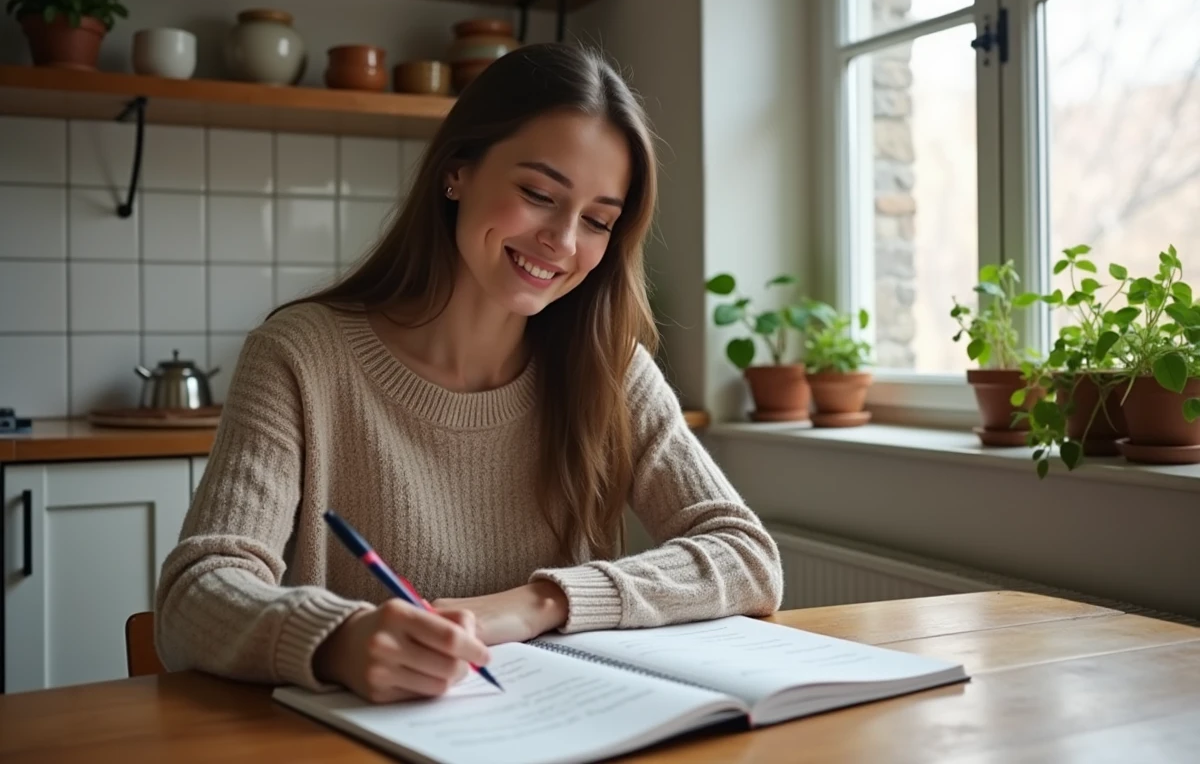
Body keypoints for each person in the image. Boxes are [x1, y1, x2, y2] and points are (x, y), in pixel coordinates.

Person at [154, 42, 783, 705]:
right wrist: (340, 640)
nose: (564, 242)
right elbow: (195, 596)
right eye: (538, 193)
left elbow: (746, 555)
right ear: (457, 172)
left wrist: (537, 604)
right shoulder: (299, 356)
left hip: (561, 731)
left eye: (598, 220)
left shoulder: (607, 365)